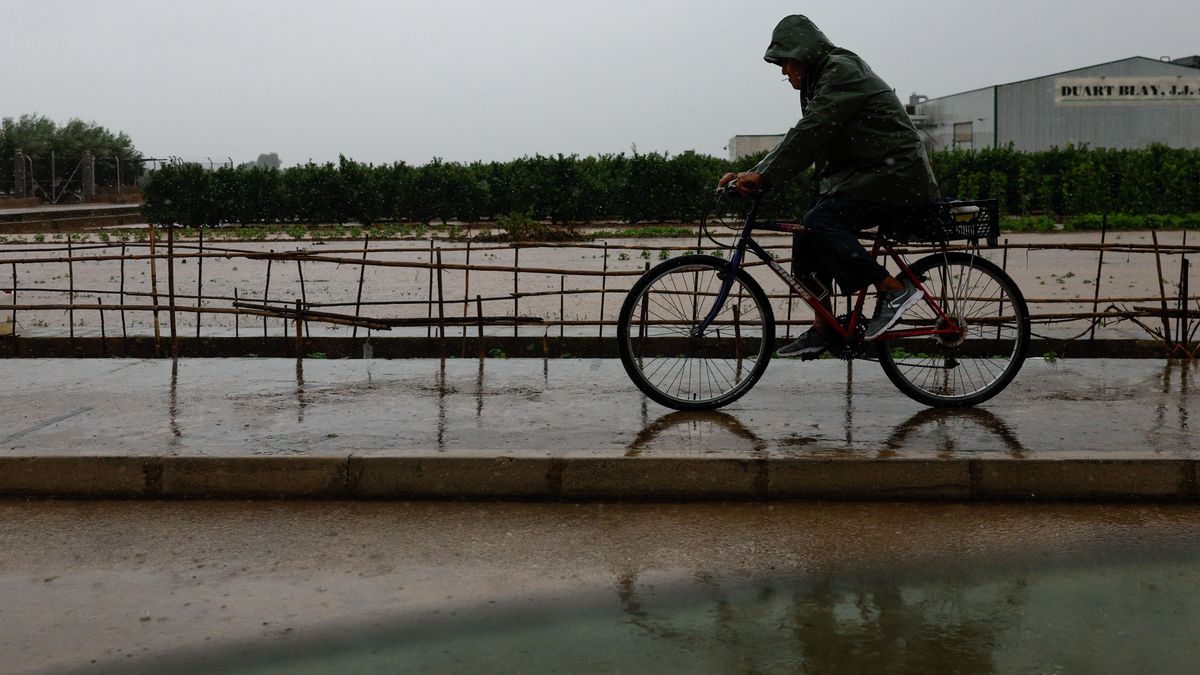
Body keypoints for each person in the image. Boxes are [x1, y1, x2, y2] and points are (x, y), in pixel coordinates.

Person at [720, 14, 941, 358]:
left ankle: (894, 289)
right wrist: (752, 173)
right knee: (808, 231)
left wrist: (763, 175)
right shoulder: (821, 81)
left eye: (786, 61)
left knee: (821, 221)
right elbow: (813, 141)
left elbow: (811, 132)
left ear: (804, 54)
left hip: (897, 178)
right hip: (871, 177)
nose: (783, 71)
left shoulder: (840, 71)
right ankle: (824, 329)